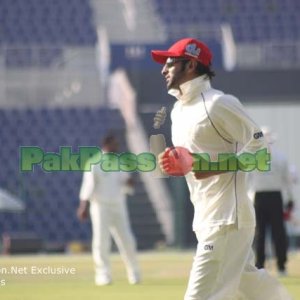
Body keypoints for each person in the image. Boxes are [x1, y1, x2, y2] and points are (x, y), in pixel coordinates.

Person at [151, 38, 292, 299]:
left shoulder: (219, 103)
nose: (163, 69)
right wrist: (171, 161)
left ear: (191, 64)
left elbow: (261, 153)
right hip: (206, 217)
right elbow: (191, 159)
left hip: (227, 218)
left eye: (170, 63)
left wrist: (210, 166)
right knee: (249, 286)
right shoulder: (177, 111)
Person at [77, 134, 141, 286]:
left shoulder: (120, 162)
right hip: (100, 206)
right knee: (101, 241)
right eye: (114, 144)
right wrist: (83, 206)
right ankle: (103, 275)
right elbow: (88, 186)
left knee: (127, 240)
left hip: (118, 205)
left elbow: (126, 183)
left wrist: (130, 182)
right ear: (106, 144)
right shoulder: (94, 163)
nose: (117, 147)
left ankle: (134, 273)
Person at [250, 127, 291, 275]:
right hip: (269, 197)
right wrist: (290, 199)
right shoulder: (280, 157)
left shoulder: (254, 157)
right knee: (274, 232)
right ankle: (277, 266)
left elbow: (247, 181)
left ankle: (263, 265)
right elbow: (287, 181)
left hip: (263, 197)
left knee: (264, 233)